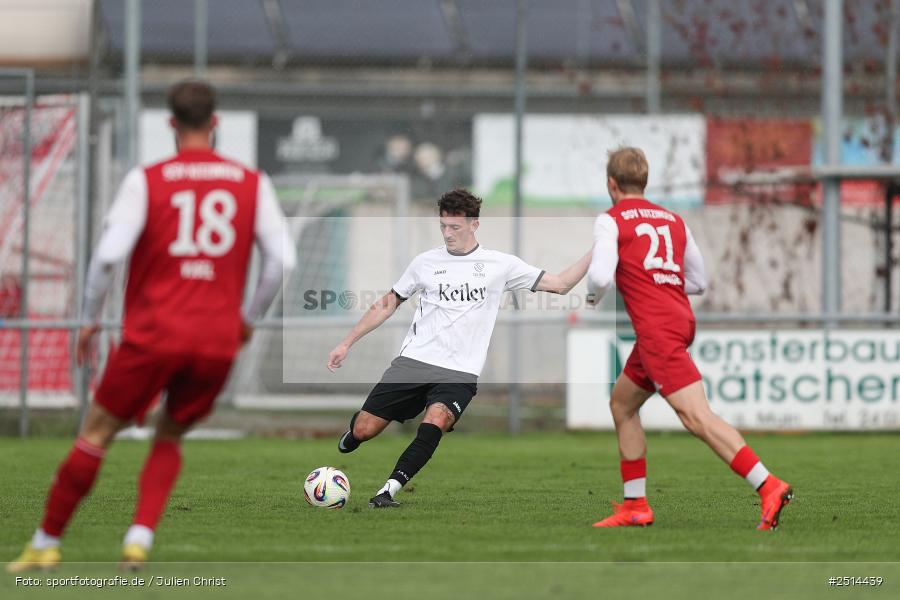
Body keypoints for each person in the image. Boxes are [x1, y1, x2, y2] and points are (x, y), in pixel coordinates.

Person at [7, 80, 295, 572]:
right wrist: (246, 321)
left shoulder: (148, 179)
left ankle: (46, 542)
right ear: (216, 122)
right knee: (169, 436)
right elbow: (281, 262)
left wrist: (91, 320)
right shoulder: (252, 181)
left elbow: (106, 258)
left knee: (96, 433)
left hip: (154, 334)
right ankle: (138, 539)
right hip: (215, 342)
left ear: (170, 124)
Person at [327, 188, 591, 508]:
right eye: (443, 227)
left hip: (460, 371)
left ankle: (388, 490)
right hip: (415, 360)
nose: (448, 234)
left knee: (436, 420)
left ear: (474, 224)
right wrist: (347, 342)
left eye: (455, 227)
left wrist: (598, 252)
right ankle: (354, 433)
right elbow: (387, 303)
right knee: (366, 429)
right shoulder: (425, 262)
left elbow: (561, 284)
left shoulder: (499, 264)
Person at [586, 147, 792, 530]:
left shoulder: (611, 220)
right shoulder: (674, 220)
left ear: (611, 184)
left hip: (657, 331)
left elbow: (599, 278)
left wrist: (591, 298)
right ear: (643, 182)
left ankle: (769, 484)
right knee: (622, 405)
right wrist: (660, 281)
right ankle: (635, 505)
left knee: (697, 417)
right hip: (678, 321)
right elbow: (698, 281)